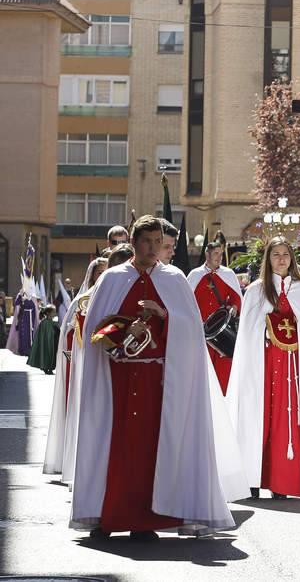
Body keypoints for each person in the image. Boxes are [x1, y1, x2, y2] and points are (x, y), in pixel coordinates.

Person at [71, 216, 236, 540]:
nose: (152, 248)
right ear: (133, 243)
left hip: (160, 383)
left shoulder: (174, 280)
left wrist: (166, 316)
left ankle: (147, 521)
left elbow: (192, 334)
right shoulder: (112, 279)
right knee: (116, 446)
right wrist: (123, 329)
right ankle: (109, 516)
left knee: (153, 450)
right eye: (145, 241)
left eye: (157, 242)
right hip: (117, 380)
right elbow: (94, 332)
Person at [226, 237, 300, 500]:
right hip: (263, 366)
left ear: (292, 258)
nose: (281, 259)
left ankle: (283, 480)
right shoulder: (257, 290)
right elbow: (248, 333)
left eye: (285, 254)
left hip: (294, 368)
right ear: (268, 260)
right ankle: (253, 477)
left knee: (288, 419)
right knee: (259, 417)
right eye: (275, 255)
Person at [43, 257, 108, 480]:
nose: (103, 276)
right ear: (92, 276)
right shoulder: (82, 300)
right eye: (99, 272)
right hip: (80, 364)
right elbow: (70, 334)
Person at [187, 242, 243, 395]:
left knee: (223, 366)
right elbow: (186, 301)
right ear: (207, 254)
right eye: (216, 253)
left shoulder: (228, 274)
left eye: (221, 253)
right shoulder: (195, 275)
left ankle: (223, 397)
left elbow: (237, 298)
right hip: (200, 330)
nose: (219, 257)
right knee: (202, 367)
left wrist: (234, 307)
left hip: (221, 331)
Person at [27, 304, 58, 374]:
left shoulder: (52, 322)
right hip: (47, 343)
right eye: (53, 312)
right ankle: (46, 367)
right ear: (48, 313)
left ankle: (50, 368)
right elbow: (45, 334)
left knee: (52, 355)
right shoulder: (45, 323)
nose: (55, 313)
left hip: (52, 342)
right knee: (47, 354)